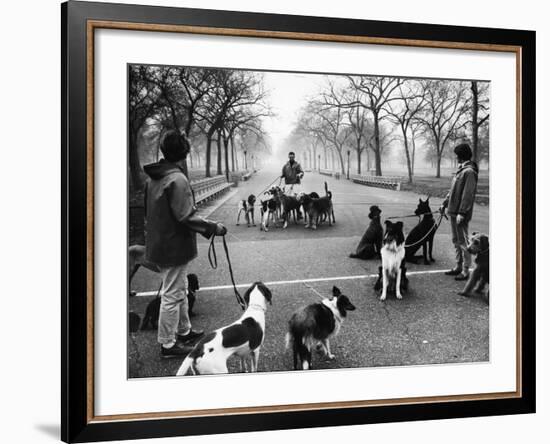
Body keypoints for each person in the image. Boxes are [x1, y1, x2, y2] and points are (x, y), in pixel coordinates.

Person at [144, 130, 227, 358]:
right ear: (184, 153)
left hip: (161, 242)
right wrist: (213, 228)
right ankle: (168, 344)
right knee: (172, 294)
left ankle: (184, 330)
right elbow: (186, 216)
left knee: (178, 289)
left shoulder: (154, 178)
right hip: (174, 246)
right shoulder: (177, 179)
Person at [439, 143, 479, 282]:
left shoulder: (469, 172)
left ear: (461, 156)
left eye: (457, 155)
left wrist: (462, 212)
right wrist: (444, 203)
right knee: (456, 241)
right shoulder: (461, 170)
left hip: (460, 213)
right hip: (453, 211)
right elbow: (453, 191)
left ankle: (466, 270)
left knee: (463, 242)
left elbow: (467, 195)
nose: (456, 158)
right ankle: (458, 266)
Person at [281, 151, 304, 218]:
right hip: (288, 184)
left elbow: (302, 172)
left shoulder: (298, 165)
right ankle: (284, 214)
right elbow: (283, 173)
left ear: (294, 157)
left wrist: (300, 175)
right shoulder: (285, 166)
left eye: (292, 157)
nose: (291, 158)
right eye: (290, 157)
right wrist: (282, 176)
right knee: (286, 200)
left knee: (297, 199)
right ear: (288, 157)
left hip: (296, 184)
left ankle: (299, 213)